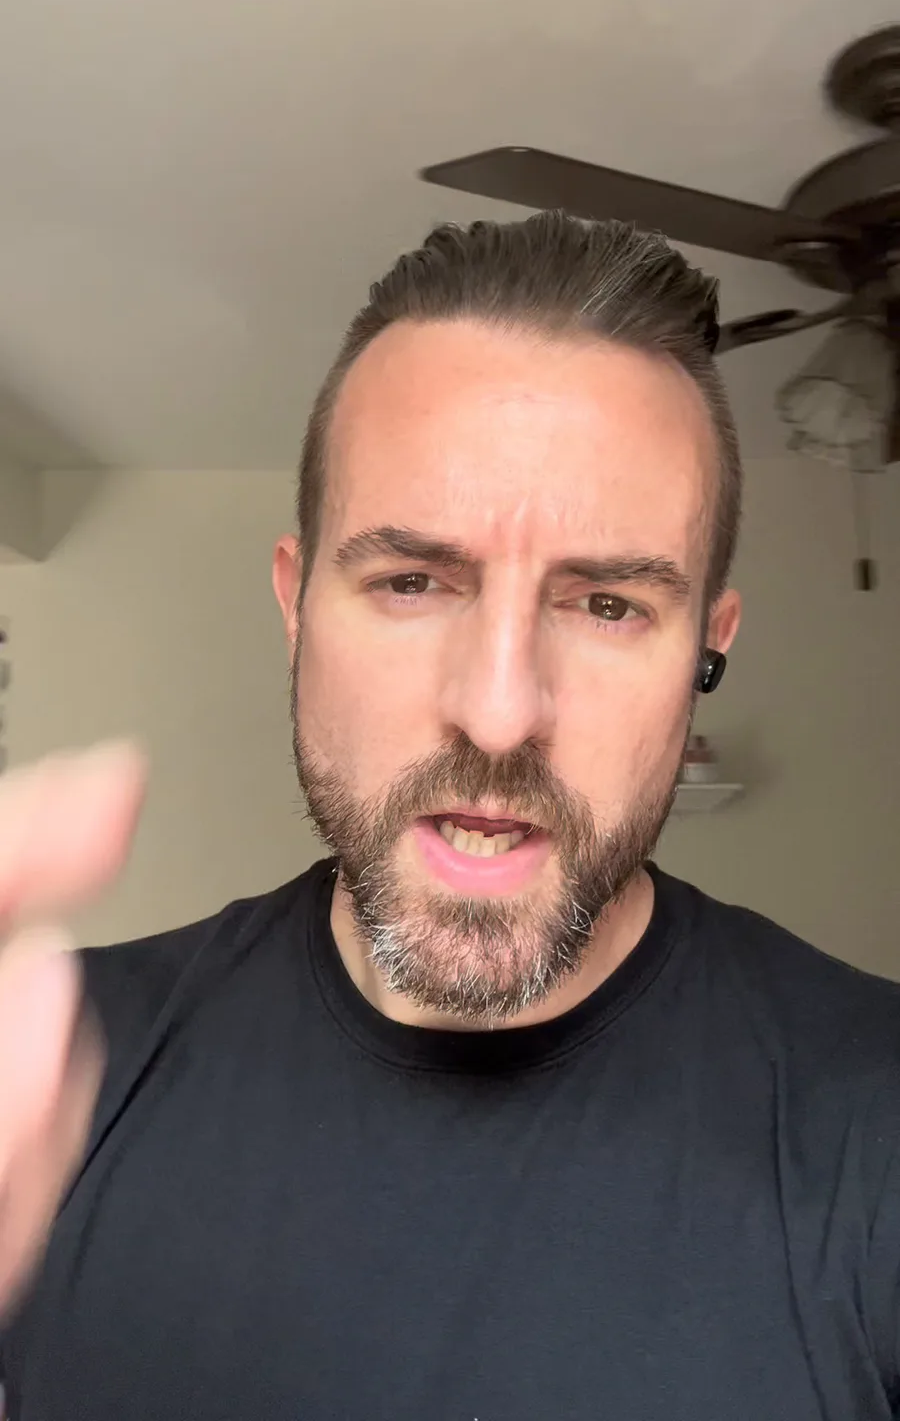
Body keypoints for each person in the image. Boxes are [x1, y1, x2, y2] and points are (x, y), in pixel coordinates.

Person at [0, 212, 898, 1421]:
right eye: (413, 581)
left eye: (608, 604)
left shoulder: (875, 1118)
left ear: (707, 650)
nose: (498, 711)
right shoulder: (47, 1075)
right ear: (296, 605)